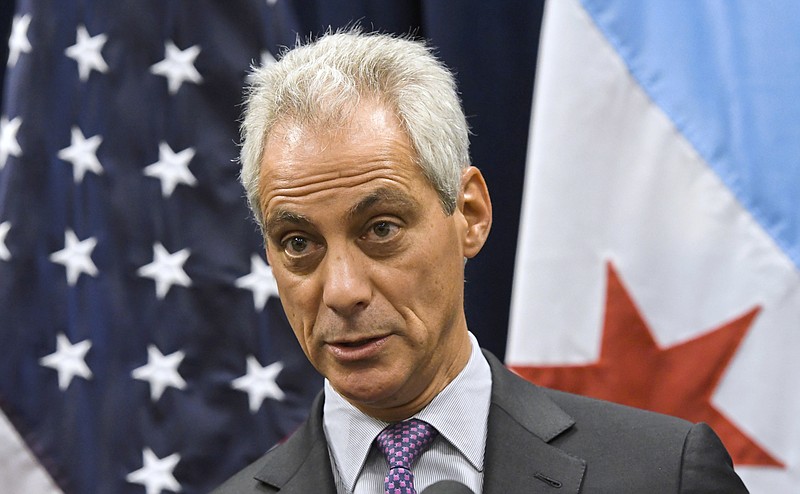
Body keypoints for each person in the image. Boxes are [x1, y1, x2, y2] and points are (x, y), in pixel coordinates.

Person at [213, 29, 748, 494]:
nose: (343, 291)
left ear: (469, 214)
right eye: (299, 244)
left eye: (381, 230)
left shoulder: (664, 476)